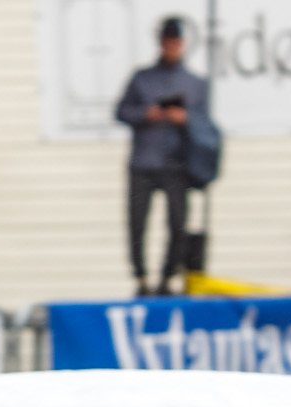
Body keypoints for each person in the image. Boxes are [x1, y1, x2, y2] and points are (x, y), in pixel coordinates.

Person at [116, 17, 207, 297]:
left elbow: (205, 124)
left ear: (182, 44)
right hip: (144, 161)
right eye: (167, 42)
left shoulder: (195, 83)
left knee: (178, 223)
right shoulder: (142, 79)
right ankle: (141, 278)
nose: (171, 47)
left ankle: (168, 278)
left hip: (175, 163)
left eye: (175, 42)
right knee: (137, 223)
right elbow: (121, 112)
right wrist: (146, 114)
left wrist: (185, 119)